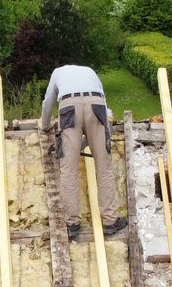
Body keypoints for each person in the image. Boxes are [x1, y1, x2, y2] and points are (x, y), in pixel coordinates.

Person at [38, 64, 126, 240]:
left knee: (68, 169)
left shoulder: (57, 72)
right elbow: (104, 102)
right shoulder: (90, 72)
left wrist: (45, 124)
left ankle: (72, 224)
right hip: (97, 105)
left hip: (69, 107)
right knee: (104, 168)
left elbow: (48, 102)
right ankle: (110, 221)